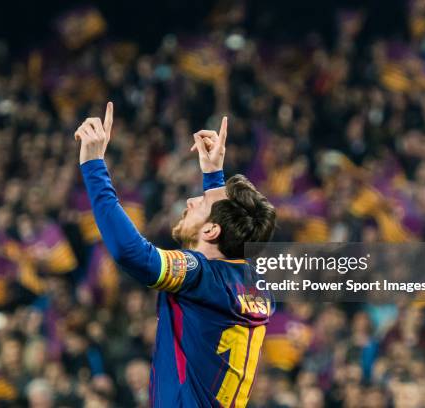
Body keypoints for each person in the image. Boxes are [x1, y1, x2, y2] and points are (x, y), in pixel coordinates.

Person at [76, 102, 277, 407]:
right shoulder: (253, 283)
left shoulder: (200, 275)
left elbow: (132, 254)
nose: (190, 200)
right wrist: (213, 177)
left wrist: (93, 166)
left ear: (212, 231)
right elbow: (225, 237)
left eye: (202, 202)